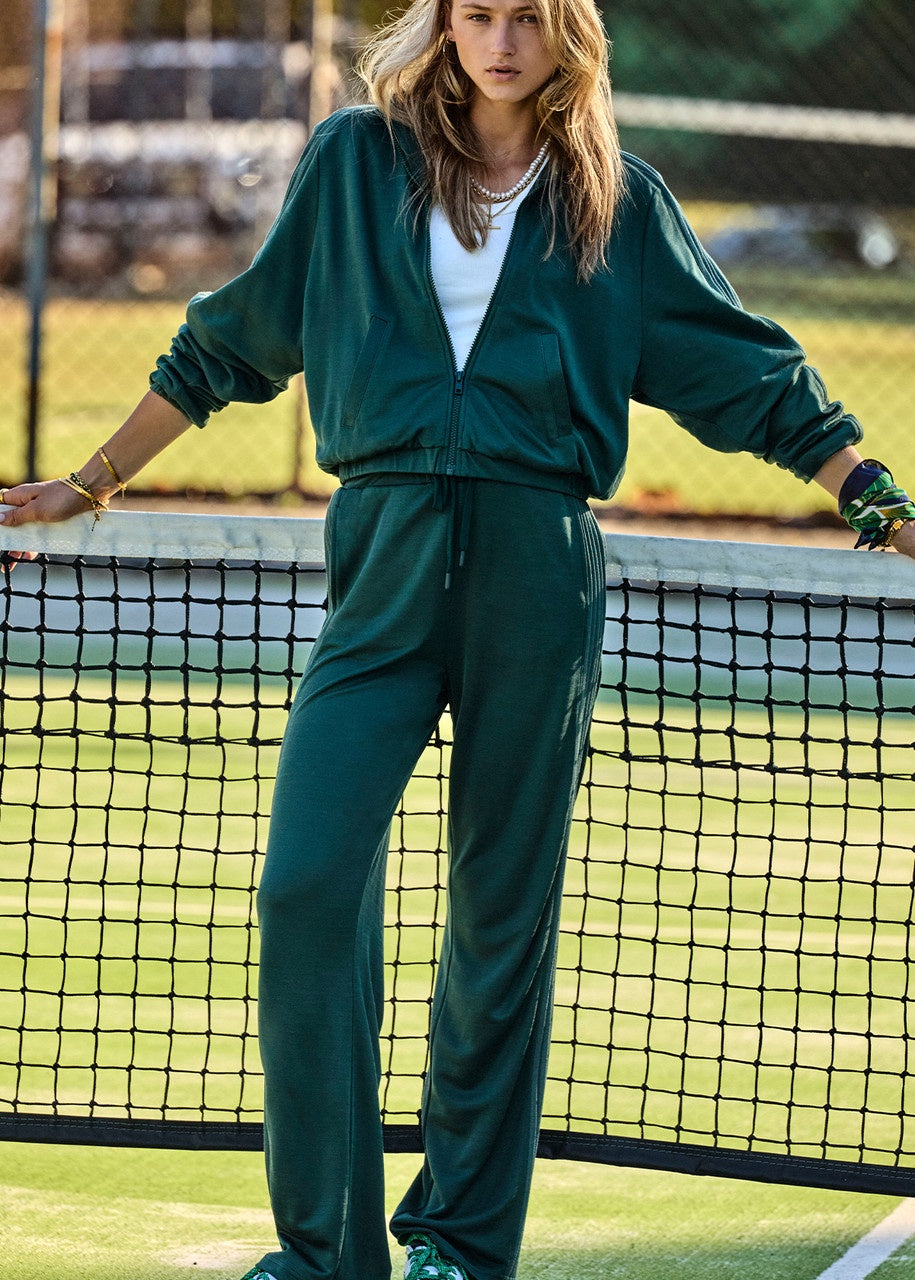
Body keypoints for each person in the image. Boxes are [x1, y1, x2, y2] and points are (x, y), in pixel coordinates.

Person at [2, 0, 914, 1276]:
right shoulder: (352, 162)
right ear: (442, 26)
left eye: (528, 17)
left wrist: (876, 495)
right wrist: (89, 481)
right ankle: (326, 1254)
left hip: (539, 578)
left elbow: (749, 374)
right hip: (378, 568)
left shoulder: (618, 203)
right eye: (478, 12)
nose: (500, 38)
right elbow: (238, 333)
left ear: (567, 38)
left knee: (500, 922)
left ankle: (460, 1244)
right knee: (306, 887)